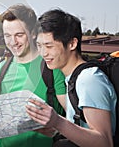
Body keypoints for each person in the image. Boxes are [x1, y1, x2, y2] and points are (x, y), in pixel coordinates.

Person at [26, 8, 117, 147]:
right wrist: (54, 129)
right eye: (39, 46)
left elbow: (104, 142)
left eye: (49, 46)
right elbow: (82, 129)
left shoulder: (89, 80)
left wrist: (58, 122)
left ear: (72, 44)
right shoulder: (73, 78)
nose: (43, 53)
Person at [0, 4, 66, 147]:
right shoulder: (1, 70)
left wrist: (56, 129)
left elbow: (73, 120)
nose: (13, 42)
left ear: (33, 33)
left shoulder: (51, 68)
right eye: (7, 36)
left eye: (19, 35)